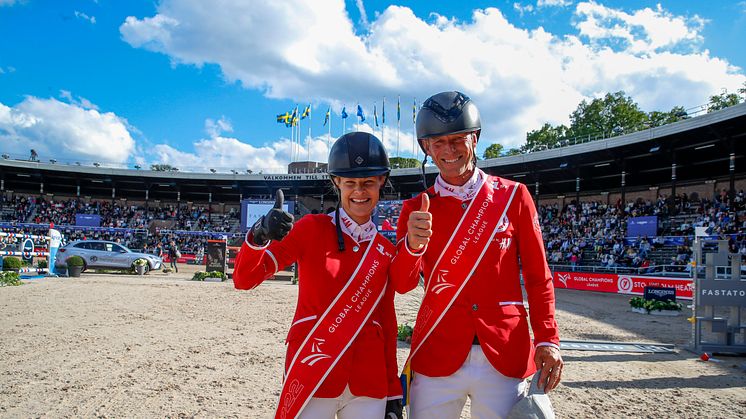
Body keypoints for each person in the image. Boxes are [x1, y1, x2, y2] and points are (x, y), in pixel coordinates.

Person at [392, 91, 563, 418]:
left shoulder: (514, 196)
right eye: (438, 142)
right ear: (426, 149)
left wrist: (548, 339)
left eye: (458, 139)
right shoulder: (414, 208)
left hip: (504, 351)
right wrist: (412, 247)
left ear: (475, 139)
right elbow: (401, 284)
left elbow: (538, 277)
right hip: (437, 353)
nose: (449, 150)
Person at [233, 132, 403, 419]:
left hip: (368, 381)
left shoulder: (386, 251)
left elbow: (386, 323)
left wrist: (393, 392)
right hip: (314, 370)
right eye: (350, 183)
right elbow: (244, 279)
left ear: (381, 181)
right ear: (336, 183)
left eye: (368, 183)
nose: (359, 192)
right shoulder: (310, 228)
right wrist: (260, 234)